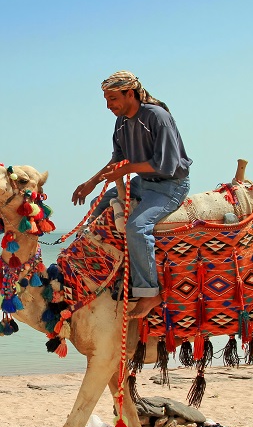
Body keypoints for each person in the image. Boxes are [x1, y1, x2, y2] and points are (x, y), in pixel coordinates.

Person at [72, 71, 192, 318]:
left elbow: (166, 165)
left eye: (113, 98)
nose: (109, 105)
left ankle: (150, 293)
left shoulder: (157, 116)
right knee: (98, 205)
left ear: (130, 93)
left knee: (137, 227)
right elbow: (117, 159)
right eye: (106, 99)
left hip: (170, 185)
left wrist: (127, 169)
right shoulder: (122, 122)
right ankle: (102, 268)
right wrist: (92, 182)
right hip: (144, 182)